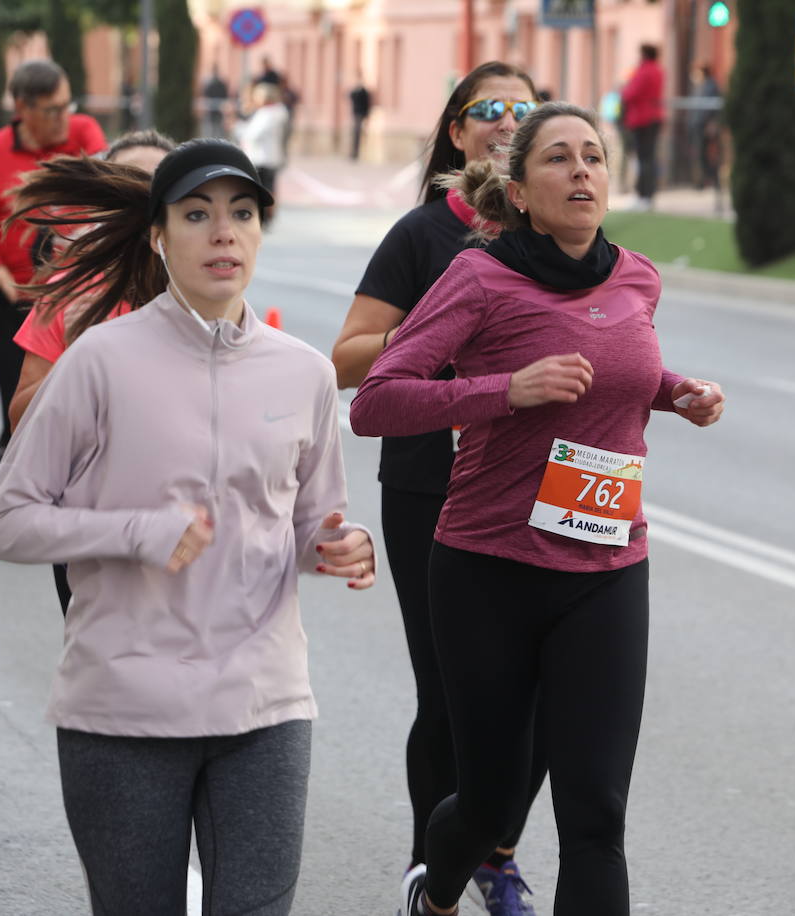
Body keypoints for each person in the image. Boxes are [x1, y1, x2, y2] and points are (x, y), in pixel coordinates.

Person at [0, 138, 376, 915]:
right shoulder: (99, 359)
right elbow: (4, 522)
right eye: (197, 214)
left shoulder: (305, 373)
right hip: (124, 705)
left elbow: (307, 521)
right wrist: (137, 533)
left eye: (241, 213)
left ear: (261, 231)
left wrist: (338, 546)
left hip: (264, 705)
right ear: (158, 237)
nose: (223, 232)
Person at [349, 101, 725, 916]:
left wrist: (677, 393)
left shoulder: (637, 276)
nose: (582, 170)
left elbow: (620, 370)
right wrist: (503, 391)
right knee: (490, 805)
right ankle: (437, 890)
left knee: (596, 816)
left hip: (607, 567)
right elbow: (374, 401)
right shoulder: (479, 275)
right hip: (489, 570)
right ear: (518, 190)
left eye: (593, 155)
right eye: (558, 158)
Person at [330, 60, 543, 916]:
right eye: (488, 109)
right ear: (457, 132)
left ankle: (494, 851)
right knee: (452, 694)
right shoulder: (422, 236)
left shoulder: (555, 233)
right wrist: (440, 344)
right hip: (433, 487)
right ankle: (438, 871)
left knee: (543, 703)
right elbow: (347, 359)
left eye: (523, 111)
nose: (505, 121)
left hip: (540, 488)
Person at [7, 128, 176, 614]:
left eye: (158, 188)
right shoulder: (73, 290)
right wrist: (79, 363)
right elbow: (21, 417)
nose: (145, 202)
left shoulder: (210, 293)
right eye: (130, 185)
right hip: (91, 525)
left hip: (192, 524)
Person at [0, 58, 107, 461]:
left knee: (87, 404)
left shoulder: (84, 135)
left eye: (67, 106)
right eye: (53, 110)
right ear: (22, 108)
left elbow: (108, 194)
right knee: (20, 407)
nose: (64, 119)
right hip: (13, 299)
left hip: (77, 295)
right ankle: (16, 496)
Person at [235, 82, 289, 227]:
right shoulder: (279, 112)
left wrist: (239, 128)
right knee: (270, 188)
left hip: (261, 157)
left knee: (262, 190)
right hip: (272, 156)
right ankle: (268, 217)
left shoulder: (267, 113)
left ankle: (264, 218)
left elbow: (252, 134)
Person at [618, 44, 664, 211]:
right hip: (654, 117)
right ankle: (647, 194)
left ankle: (644, 195)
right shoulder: (658, 70)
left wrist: (624, 89)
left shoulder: (644, 71)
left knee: (643, 158)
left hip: (642, 118)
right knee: (649, 157)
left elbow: (630, 93)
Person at [689, 63, 721, 194]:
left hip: (705, 126)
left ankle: (711, 180)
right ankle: (703, 181)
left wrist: (712, 123)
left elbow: (712, 109)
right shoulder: (701, 86)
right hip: (698, 125)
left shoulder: (711, 86)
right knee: (701, 155)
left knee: (707, 155)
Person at [348, 74, 373, 161]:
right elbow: (350, 96)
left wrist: (366, 115)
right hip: (356, 114)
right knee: (355, 134)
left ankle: (361, 153)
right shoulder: (355, 92)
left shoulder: (364, 92)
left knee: (360, 134)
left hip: (361, 114)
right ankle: (354, 153)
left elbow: (367, 104)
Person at [200, 65, 229, 138]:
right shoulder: (218, 83)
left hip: (213, 111)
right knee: (215, 130)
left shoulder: (209, 83)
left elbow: (205, 95)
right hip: (215, 110)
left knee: (213, 130)